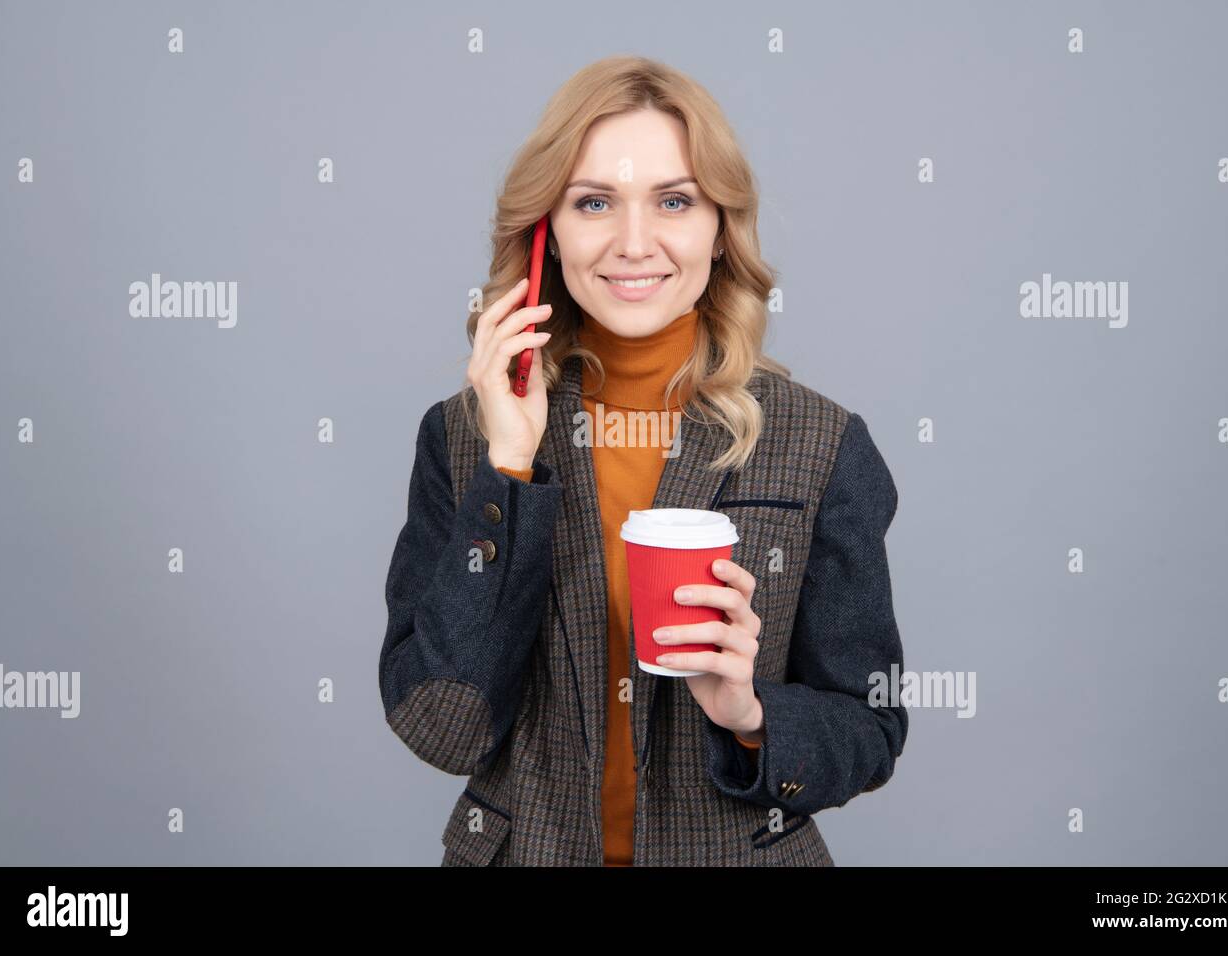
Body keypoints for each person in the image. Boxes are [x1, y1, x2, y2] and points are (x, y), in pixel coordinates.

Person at [378, 55, 907, 866]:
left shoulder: (820, 443)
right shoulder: (462, 439)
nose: (634, 244)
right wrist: (509, 465)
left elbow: (870, 726)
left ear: (720, 228)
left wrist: (751, 712)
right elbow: (442, 729)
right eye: (595, 202)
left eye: (673, 201)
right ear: (545, 235)